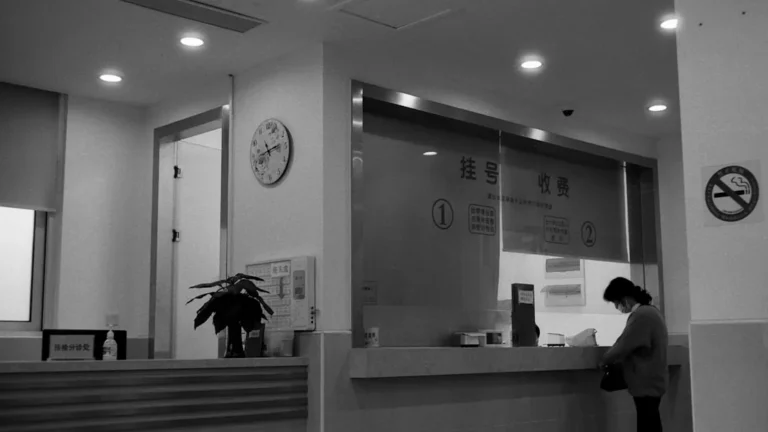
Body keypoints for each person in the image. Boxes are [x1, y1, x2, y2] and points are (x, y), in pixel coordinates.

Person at [600, 277, 668, 432]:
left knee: (647, 425)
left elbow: (623, 344)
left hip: (645, 382)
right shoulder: (652, 312)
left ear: (624, 299)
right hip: (654, 380)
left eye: (616, 303)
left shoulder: (641, 315)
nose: (617, 307)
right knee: (652, 424)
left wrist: (604, 360)